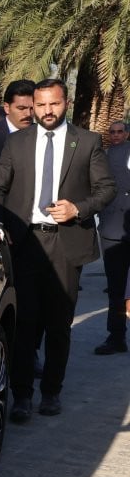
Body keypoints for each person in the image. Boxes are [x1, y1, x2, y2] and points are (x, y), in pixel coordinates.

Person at [0, 78, 115, 422]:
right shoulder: (16, 142)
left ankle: (51, 392)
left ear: (65, 102)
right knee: (25, 324)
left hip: (67, 243)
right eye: (39, 105)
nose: (46, 111)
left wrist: (79, 209)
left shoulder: (86, 142)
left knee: (59, 325)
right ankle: (22, 396)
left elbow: (106, 189)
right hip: (25, 242)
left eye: (53, 104)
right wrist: (3, 229)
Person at [96, 130, 130, 354]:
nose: (116, 135)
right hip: (115, 230)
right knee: (116, 288)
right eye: (113, 131)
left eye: (120, 131)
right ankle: (116, 336)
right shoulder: (108, 155)